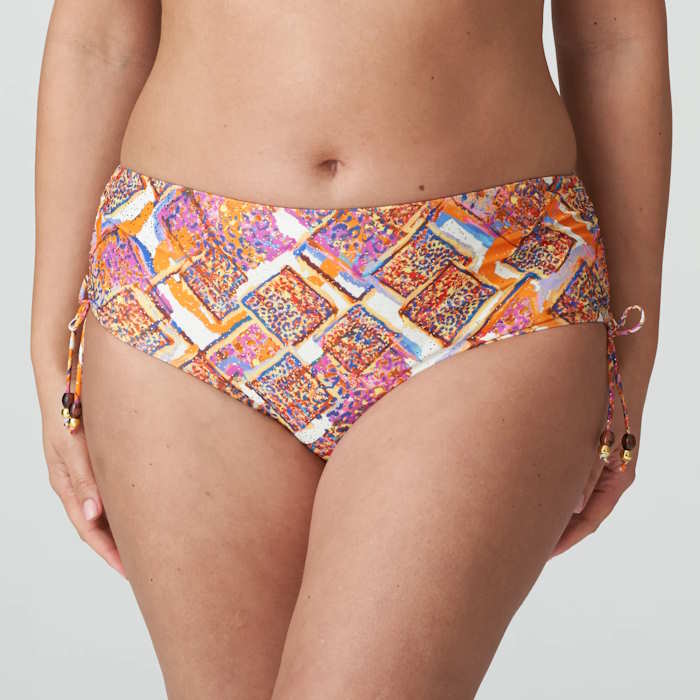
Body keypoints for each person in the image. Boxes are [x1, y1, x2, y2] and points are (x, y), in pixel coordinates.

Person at [31, 1, 671, 697]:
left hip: (491, 282)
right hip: (184, 281)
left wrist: (631, 356)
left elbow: (614, 41)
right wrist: (49, 343)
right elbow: (98, 40)